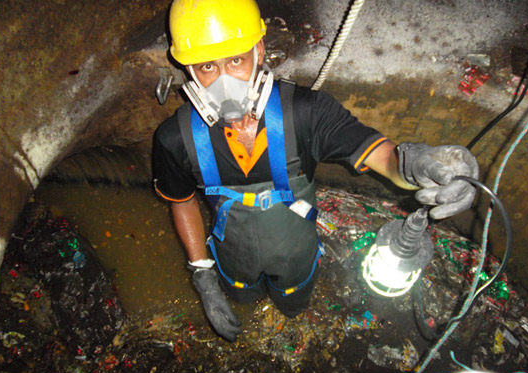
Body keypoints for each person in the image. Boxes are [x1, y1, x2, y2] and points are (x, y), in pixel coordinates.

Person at [152, 0, 479, 342]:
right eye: (206, 67)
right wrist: (202, 275)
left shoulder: (305, 113)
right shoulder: (176, 138)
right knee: (240, 295)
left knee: (294, 304)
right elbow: (182, 201)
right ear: (188, 69)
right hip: (234, 256)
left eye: (235, 60)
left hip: (295, 251)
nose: (223, 82)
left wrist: (415, 164)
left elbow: (381, 156)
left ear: (258, 50)